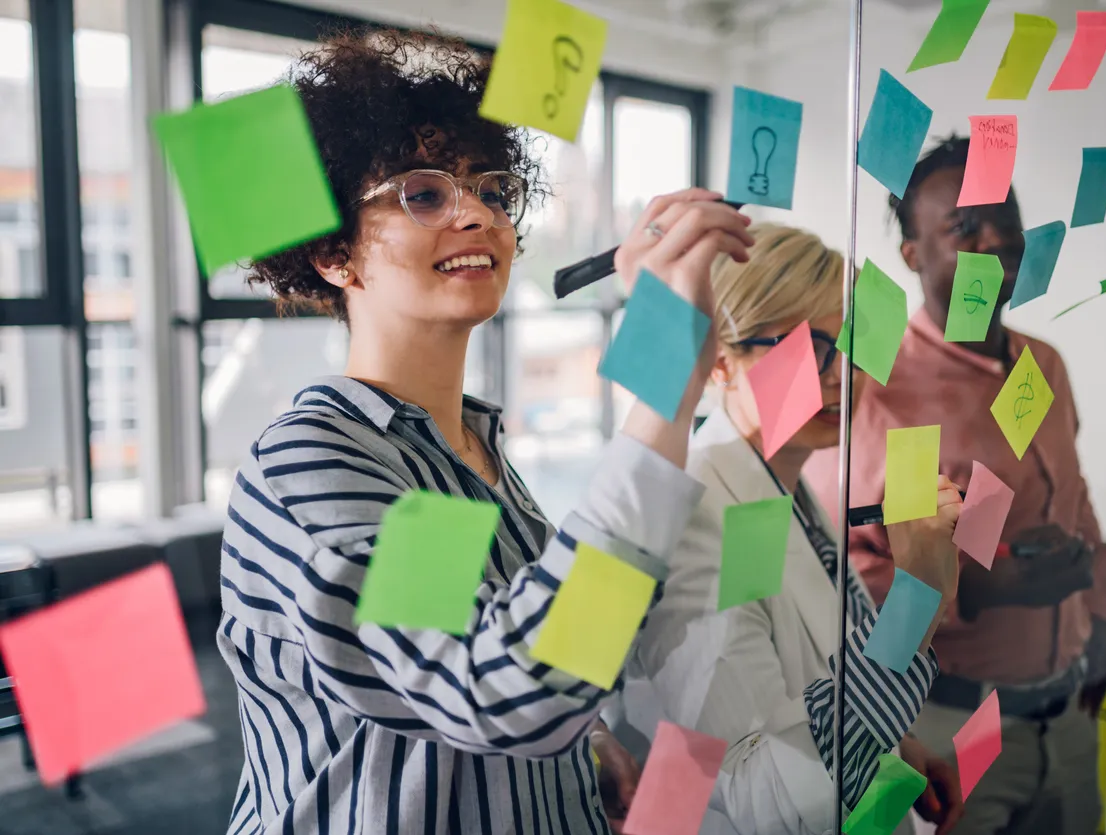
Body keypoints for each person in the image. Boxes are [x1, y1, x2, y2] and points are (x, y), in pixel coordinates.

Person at [216, 28, 757, 835]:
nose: (476, 213)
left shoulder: (467, 449)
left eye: (492, 191)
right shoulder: (315, 461)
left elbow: (506, 654)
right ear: (335, 254)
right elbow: (504, 692)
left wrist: (592, 734)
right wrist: (666, 382)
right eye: (423, 193)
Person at [806, 135, 1106, 835]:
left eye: (1004, 215)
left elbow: (1076, 502)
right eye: (964, 225)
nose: (997, 237)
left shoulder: (1042, 363)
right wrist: (972, 591)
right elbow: (844, 577)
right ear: (913, 255)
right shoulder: (872, 388)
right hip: (949, 725)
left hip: (1065, 719)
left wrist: (1102, 626)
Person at [617, 223, 965, 835]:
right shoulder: (699, 516)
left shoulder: (788, 488)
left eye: (850, 341)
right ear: (720, 363)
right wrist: (917, 598)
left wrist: (896, 747)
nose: (840, 373)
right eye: (807, 348)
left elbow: (812, 686)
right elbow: (765, 794)